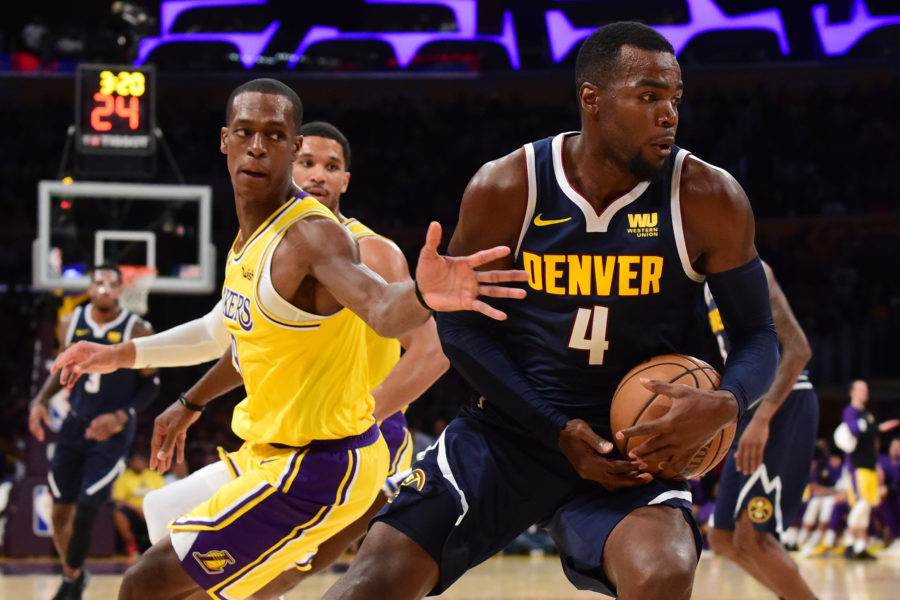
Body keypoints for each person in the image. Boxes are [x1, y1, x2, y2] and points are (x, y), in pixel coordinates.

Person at [321, 22, 779, 600]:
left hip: (633, 447)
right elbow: (460, 328)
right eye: (648, 96)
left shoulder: (708, 197)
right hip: (513, 429)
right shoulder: (509, 186)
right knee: (374, 579)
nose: (669, 115)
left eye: (674, 98)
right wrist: (554, 428)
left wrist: (725, 402)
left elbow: (759, 336)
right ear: (593, 100)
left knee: (662, 572)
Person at [52, 78, 525, 600]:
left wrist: (425, 295)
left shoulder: (323, 239)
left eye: (275, 136)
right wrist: (155, 378)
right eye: (246, 132)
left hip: (324, 458)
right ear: (224, 140)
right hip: (271, 447)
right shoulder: (252, 239)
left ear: (301, 153)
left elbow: (387, 312)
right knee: (165, 522)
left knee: (150, 583)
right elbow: (231, 333)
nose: (258, 146)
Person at [28, 264, 159, 600]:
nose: (103, 289)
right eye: (98, 283)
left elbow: (151, 386)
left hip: (112, 432)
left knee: (88, 506)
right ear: (89, 287)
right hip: (75, 425)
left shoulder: (138, 328)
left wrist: (120, 415)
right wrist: (40, 401)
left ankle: (69, 585)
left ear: (121, 290)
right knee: (61, 510)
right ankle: (74, 574)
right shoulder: (69, 323)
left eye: (111, 284)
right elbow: (62, 371)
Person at [705, 262, 820, 600]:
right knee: (722, 537)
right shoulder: (696, 281)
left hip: (782, 404)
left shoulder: (750, 270)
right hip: (749, 411)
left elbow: (799, 349)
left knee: (753, 535)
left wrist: (763, 419)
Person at [839, 380, 900, 559]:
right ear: (852, 392)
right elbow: (854, 431)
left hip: (870, 466)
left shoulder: (867, 414)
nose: (865, 392)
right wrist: (872, 428)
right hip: (857, 466)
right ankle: (849, 541)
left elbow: (871, 438)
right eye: (861, 389)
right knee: (861, 504)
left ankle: (860, 546)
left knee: (868, 506)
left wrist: (878, 429)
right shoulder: (850, 412)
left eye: (866, 389)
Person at [112, 451, 165, 563]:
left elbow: (162, 494)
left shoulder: (154, 476)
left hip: (153, 509)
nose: (138, 463)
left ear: (145, 462)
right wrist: (137, 509)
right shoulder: (124, 477)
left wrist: (148, 509)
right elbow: (119, 499)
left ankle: (162, 548)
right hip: (132, 510)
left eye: (140, 461)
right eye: (135, 461)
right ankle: (132, 547)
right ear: (130, 463)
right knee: (118, 513)